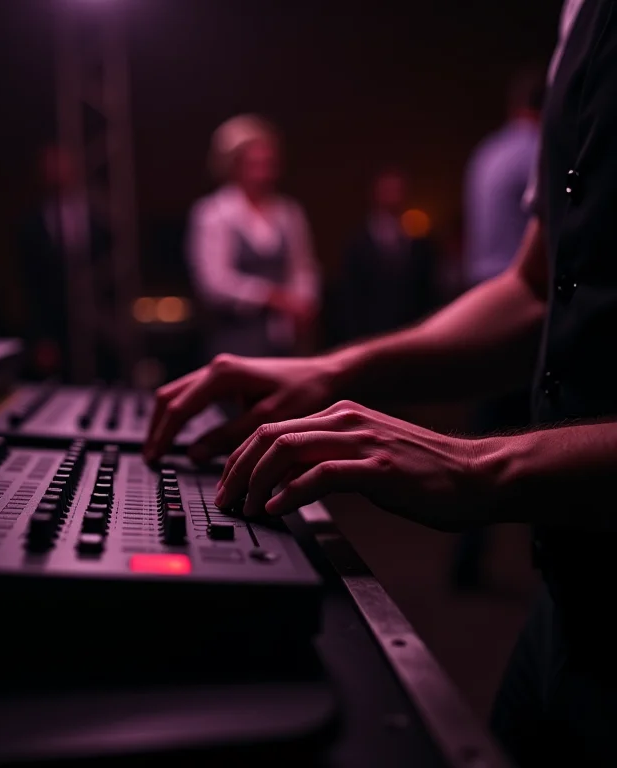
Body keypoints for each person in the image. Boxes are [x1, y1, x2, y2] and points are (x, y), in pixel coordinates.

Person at [145, 0, 617, 763]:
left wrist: (482, 465)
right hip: (567, 598)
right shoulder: (577, 18)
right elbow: (538, 287)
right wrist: (335, 370)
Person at [450, 67, 546, 590]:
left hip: (480, 301)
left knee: (483, 439)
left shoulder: (485, 153)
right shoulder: (539, 150)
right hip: (522, 307)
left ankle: (465, 561)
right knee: (544, 441)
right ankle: (551, 566)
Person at [187, 115, 321, 360]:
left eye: (268, 164)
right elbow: (214, 282)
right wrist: (272, 297)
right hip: (234, 337)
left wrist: (303, 301)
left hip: (283, 339)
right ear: (234, 165)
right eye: (254, 164)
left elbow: (303, 266)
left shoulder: (288, 212)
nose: (263, 173)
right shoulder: (214, 213)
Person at [19, 144, 114, 381]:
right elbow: (30, 286)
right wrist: (40, 338)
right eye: (50, 166)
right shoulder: (31, 224)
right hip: (55, 327)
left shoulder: (102, 216)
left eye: (61, 164)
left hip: (103, 323)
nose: (56, 172)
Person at [329, 168, 438, 345]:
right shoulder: (357, 243)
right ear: (375, 194)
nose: (393, 196)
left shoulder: (420, 243)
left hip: (413, 336)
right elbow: (350, 299)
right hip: (370, 336)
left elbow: (429, 292)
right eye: (388, 190)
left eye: (398, 189)